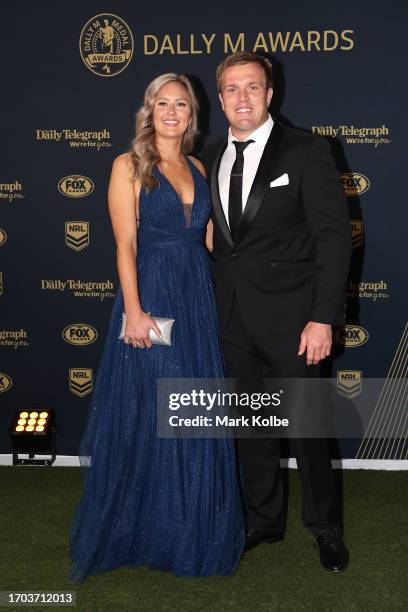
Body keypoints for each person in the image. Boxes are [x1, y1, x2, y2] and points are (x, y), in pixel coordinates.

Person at [69, 73, 245, 582]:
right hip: (152, 295)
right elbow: (124, 244)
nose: (172, 111)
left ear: (193, 114)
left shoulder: (197, 165)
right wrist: (134, 311)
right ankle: (142, 529)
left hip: (196, 299)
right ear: (149, 111)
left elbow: (211, 240)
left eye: (181, 104)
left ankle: (188, 530)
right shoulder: (129, 165)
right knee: (154, 408)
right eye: (162, 103)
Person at [202, 52, 351, 572]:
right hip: (233, 322)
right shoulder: (211, 155)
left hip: (295, 321)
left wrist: (323, 318)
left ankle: (326, 527)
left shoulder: (308, 150)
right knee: (251, 429)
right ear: (220, 99)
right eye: (232, 89)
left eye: (252, 87)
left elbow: (334, 239)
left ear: (270, 94)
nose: (242, 97)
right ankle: (263, 521)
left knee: (309, 430)